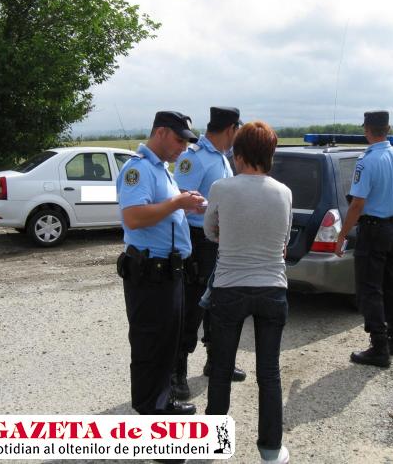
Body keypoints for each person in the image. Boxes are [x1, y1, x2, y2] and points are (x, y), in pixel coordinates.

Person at [204, 121, 292, 464]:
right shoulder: (284, 192)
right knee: (269, 373)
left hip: (229, 287)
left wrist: (230, 236)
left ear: (239, 154)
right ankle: (271, 450)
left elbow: (210, 231)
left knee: (221, 369)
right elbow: (283, 242)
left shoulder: (221, 188)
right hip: (273, 287)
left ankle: (213, 447)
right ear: (270, 154)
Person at [116, 111, 206, 417]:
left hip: (168, 270)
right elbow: (133, 217)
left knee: (167, 342)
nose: (184, 147)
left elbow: (159, 210)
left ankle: (163, 402)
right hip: (149, 272)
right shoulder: (139, 169)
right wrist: (178, 202)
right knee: (150, 344)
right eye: (180, 140)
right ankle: (151, 411)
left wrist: (184, 203)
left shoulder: (161, 170)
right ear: (161, 133)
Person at [172, 107, 247, 401]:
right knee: (192, 306)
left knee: (219, 302)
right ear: (231, 129)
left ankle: (216, 362)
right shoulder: (194, 158)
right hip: (197, 241)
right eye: (237, 131)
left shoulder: (222, 158)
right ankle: (177, 372)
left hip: (218, 241)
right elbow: (179, 200)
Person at [334, 110, 393, 368]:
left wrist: (341, 236)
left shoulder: (366, 161)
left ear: (367, 130)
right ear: (388, 129)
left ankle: (379, 347)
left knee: (370, 288)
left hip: (374, 230)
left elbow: (357, 204)